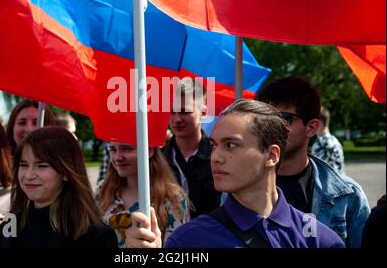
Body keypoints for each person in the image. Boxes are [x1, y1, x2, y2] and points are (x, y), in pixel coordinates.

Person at [125, 99, 345, 248]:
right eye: (214, 145)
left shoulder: (321, 240)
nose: (216, 157)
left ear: (271, 155)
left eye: (230, 145)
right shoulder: (189, 240)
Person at [256, 76, 370, 247]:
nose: (269, 127)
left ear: (311, 127)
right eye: (263, 118)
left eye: (283, 118)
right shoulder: (240, 187)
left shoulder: (348, 196)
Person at [0, 126, 117, 248]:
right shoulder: (10, 225)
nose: (29, 175)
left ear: (66, 172)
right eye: (23, 165)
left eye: (42, 165)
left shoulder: (96, 235)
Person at [96, 142, 189, 247]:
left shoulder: (173, 197)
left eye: (126, 149)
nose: (118, 157)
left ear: (149, 150)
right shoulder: (102, 190)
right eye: (113, 149)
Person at [163, 77, 221, 218]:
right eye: (172, 111)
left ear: (203, 113)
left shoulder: (219, 156)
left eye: (184, 111)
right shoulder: (157, 159)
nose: (177, 119)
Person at [311, 106, 345, 173]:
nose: (311, 125)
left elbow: (318, 171)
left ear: (319, 123)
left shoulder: (321, 143)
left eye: (313, 122)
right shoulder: (335, 141)